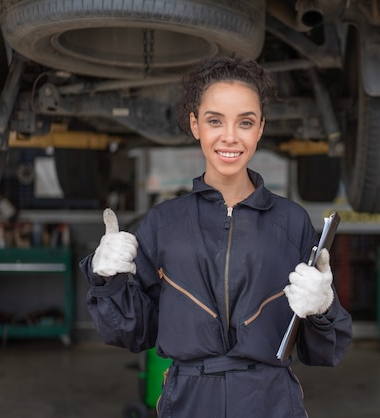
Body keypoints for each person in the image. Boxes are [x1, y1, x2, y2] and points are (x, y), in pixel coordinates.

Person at [80, 55, 353, 417]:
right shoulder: (164, 222)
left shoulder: (291, 222)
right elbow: (134, 333)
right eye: (214, 121)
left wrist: (323, 308)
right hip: (189, 399)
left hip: (270, 401)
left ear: (260, 129)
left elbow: (321, 351)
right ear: (195, 125)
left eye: (245, 122)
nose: (230, 136)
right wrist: (106, 280)